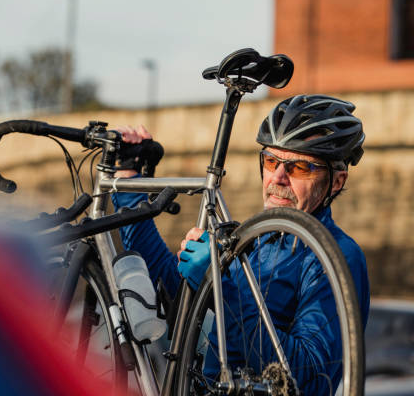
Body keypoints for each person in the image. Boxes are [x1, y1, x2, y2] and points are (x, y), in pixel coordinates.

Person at [111, 94, 370, 395]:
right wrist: (129, 185)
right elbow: (175, 297)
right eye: (271, 161)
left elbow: (307, 376)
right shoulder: (255, 241)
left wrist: (222, 291)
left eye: (299, 167)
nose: (279, 177)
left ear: (336, 182)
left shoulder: (337, 255)